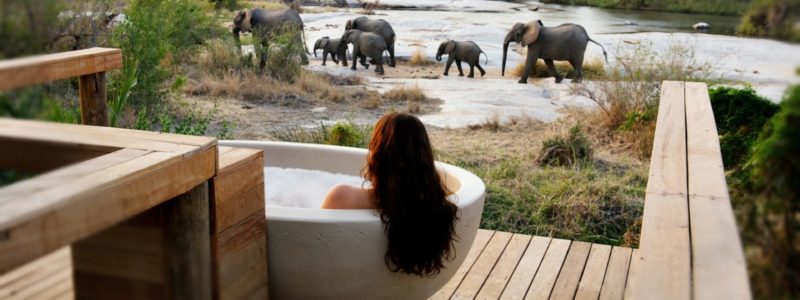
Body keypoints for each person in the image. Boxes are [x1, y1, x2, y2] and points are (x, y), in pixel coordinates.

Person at [322, 112, 459, 277]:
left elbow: (315, 245)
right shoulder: (436, 207)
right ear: (424, 155)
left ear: (379, 152)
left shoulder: (342, 196)